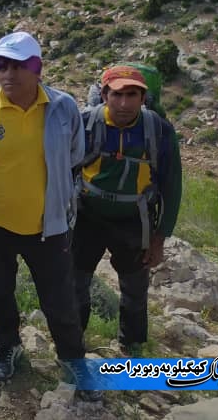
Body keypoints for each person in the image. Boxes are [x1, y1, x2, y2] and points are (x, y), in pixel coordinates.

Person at [0, 32, 88, 383]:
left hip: (49, 225)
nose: (7, 74)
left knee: (59, 301)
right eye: (1, 66)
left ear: (37, 69)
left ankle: (73, 361)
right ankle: (8, 346)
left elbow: (75, 153)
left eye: (17, 66)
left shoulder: (63, 109)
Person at [73, 64, 182, 353]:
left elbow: (172, 186)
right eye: (116, 94)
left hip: (135, 221)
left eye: (132, 95)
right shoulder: (84, 123)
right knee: (75, 283)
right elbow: (62, 173)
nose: (124, 103)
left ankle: (131, 348)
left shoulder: (158, 131)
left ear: (143, 98)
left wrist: (159, 238)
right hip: (87, 217)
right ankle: (72, 344)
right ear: (104, 94)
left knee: (134, 290)